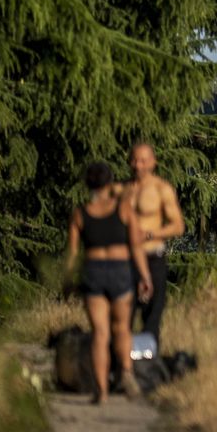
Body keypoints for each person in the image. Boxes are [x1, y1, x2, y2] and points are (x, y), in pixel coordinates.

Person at [66, 162, 153, 403]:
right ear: (110, 183)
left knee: (100, 333)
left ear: (88, 184)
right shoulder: (124, 209)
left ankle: (101, 391)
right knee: (122, 328)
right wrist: (145, 276)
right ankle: (126, 372)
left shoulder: (80, 213)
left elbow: (72, 253)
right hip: (120, 270)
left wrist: (68, 280)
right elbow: (136, 246)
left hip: (93, 271)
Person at [122, 141, 184, 343]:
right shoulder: (123, 190)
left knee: (152, 317)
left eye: (143, 160)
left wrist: (149, 234)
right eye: (134, 160)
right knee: (123, 316)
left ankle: (150, 364)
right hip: (125, 259)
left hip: (153, 256)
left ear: (153, 162)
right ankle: (121, 366)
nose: (138, 165)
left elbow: (177, 226)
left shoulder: (161, 189)